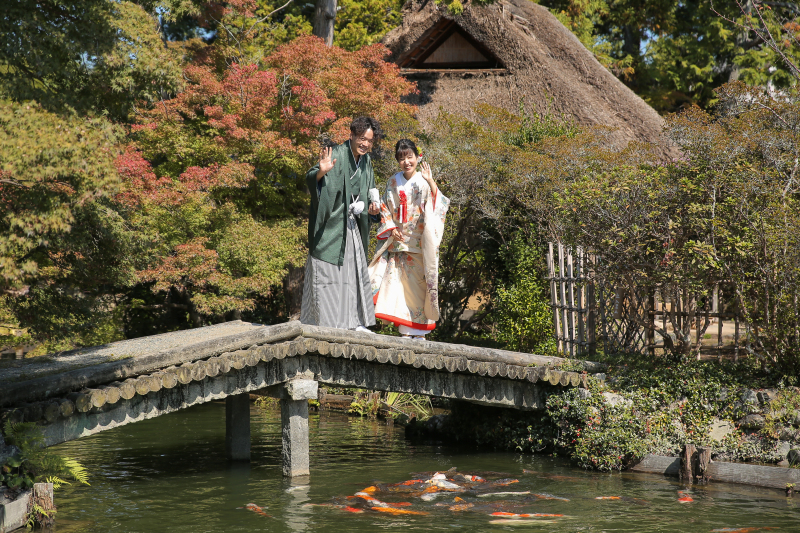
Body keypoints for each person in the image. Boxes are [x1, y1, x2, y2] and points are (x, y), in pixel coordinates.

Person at [300, 117, 381, 332]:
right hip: (333, 226)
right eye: (362, 139)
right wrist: (321, 172)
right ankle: (327, 323)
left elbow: (371, 187)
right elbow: (310, 177)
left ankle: (354, 321)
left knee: (352, 274)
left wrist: (374, 207)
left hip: (353, 225)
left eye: (369, 141)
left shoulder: (366, 161)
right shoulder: (335, 153)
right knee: (329, 275)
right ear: (352, 135)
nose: (365, 144)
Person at [369, 139, 449, 339]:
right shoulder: (392, 181)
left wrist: (431, 181)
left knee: (419, 288)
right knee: (399, 287)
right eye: (402, 158)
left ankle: (419, 331)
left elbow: (438, 203)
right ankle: (405, 329)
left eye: (410, 157)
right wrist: (391, 227)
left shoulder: (423, 180)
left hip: (419, 242)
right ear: (398, 160)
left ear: (417, 157)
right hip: (398, 241)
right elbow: (386, 207)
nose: (406, 162)